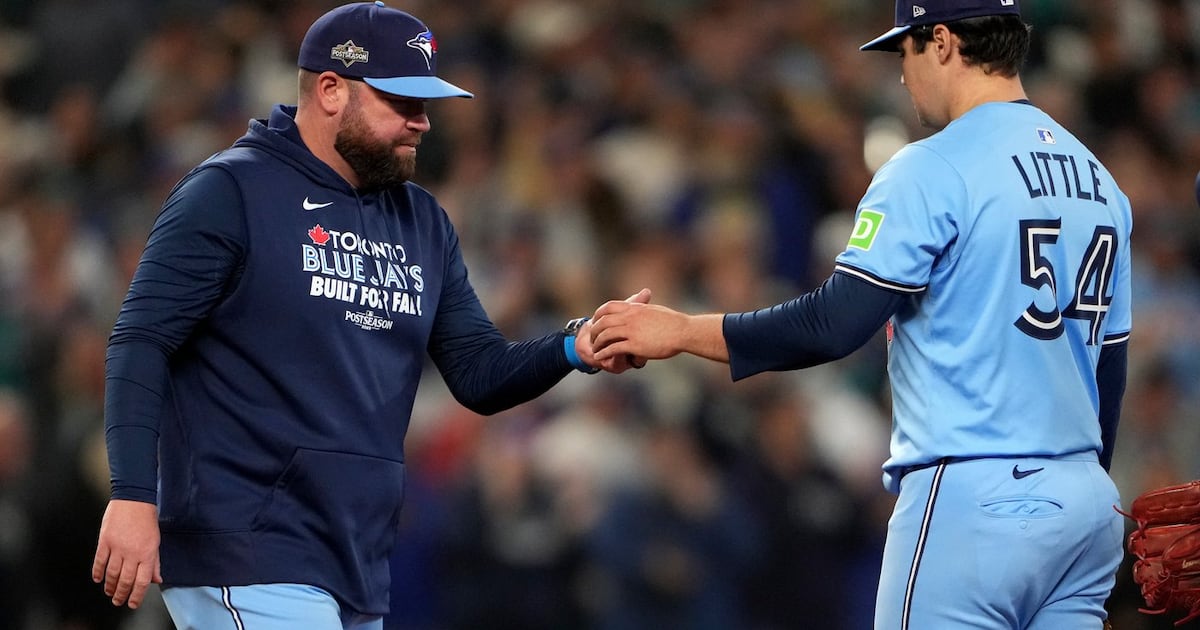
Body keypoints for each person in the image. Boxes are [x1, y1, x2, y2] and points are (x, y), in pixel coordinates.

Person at [90, 3, 645, 629]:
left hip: (356, 557)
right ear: (331, 90)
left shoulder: (422, 220)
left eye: (426, 103)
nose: (422, 122)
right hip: (246, 547)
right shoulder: (230, 192)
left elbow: (478, 371)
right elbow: (140, 341)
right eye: (401, 101)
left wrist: (576, 346)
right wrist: (133, 497)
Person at [590, 0, 1133, 627]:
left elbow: (834, 324)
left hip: (972, 500)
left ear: (944, 42)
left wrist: (685, 331)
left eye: (905, 50)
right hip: (1085, 506)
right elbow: (1108, 372)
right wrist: (1082, 496)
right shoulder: (1101, 184)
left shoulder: (931, 166)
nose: (902, 74)